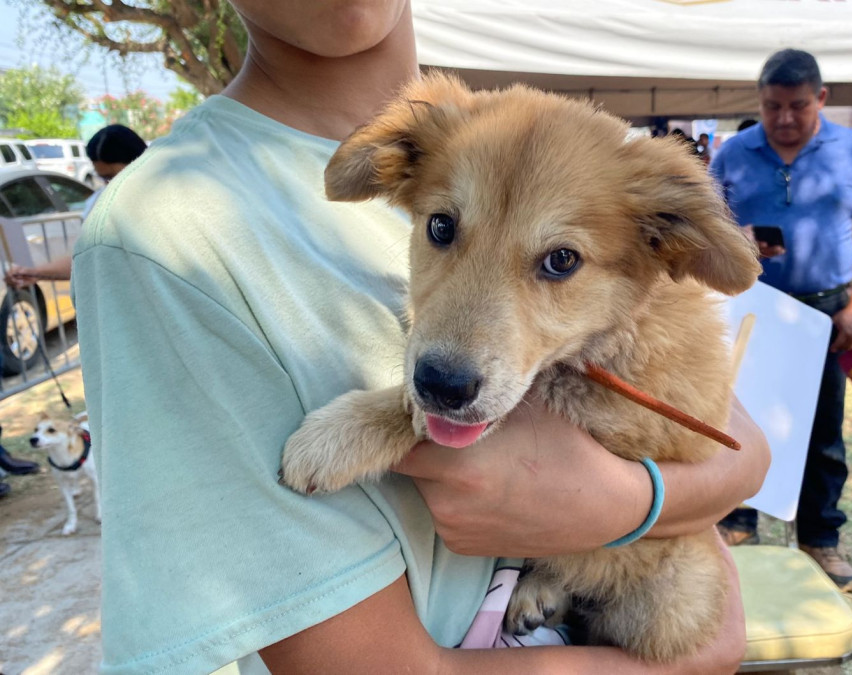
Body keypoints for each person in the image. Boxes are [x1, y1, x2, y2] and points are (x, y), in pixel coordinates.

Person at [71, 2, 770, 673]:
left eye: (559, 260)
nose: (460, 342)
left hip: (629, 606)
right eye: (442, 228)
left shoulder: (515, 144)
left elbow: (737, 447)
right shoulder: (160, 238)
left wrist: (625, 503)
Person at [710, 48, 852, 592]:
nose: (785, 119)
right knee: (739, 420)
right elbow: (705, 224)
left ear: (822, 100)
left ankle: (821, 539)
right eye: (772, 107)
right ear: (759, 103)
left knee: (824, 431)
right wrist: (732, 238)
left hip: (828, 310)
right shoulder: (733, 153)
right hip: (754, 308)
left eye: (798, 106)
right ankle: (736, 522)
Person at [4, 125, 147, 288]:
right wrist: (34, 272)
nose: (113, 185)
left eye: (118, 176)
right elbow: (87, 257)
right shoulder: (99, 203)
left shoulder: (166, 199)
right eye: (105, 179)